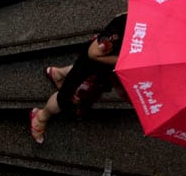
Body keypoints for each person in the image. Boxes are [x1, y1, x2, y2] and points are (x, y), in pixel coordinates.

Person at [30, 12, 127, 145]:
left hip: (100, 66)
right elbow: (94, 54)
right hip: (96, 65)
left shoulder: (140, 17)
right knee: (66, 97)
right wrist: (127, 60)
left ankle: (58, 74)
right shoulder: (123, 27)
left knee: (78, 73)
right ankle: (41, 116)